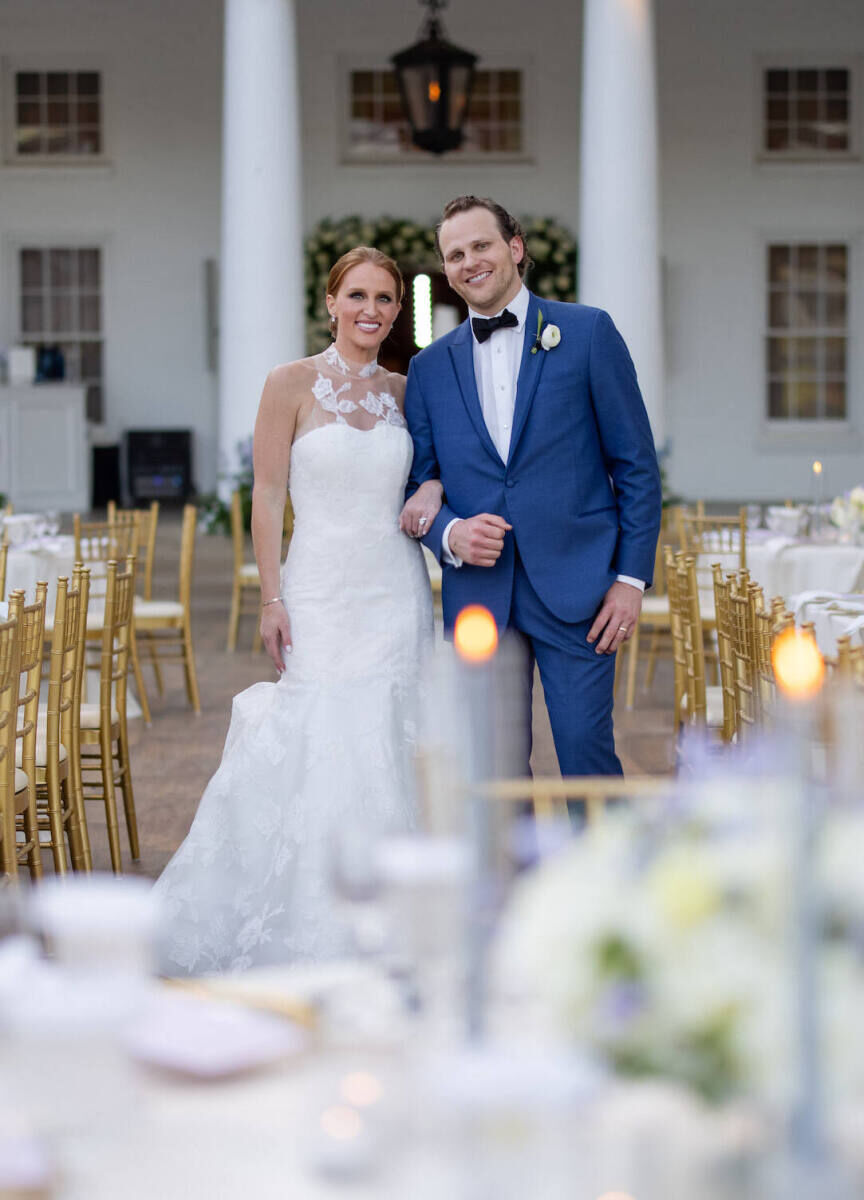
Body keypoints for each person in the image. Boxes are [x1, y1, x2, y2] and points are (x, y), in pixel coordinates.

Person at [154, 248, 442, 974]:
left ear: (397, 311)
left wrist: (431, 491)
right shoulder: (288, 383)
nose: (371, 310)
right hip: (318, 588)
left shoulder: (408, 391)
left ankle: (395, 915)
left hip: (394, 588)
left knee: (391, 733)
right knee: (320, 730)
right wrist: (271, 594)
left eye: (384, 298)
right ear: (330, 302)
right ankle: (313, 908)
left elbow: (437, 470)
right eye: (357, 296)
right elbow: (270, 497)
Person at [401, 196, 662, 777]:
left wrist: (630, 580)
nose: (470, 261)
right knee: (493, 772)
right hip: (479, 600)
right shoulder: (428, 368)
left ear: (515, 249)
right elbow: (418, 481)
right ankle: (510, 871)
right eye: (455, 254)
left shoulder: (588, 332)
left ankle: (600, 870)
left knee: (585, 755)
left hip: (581, 592)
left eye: (481, 245)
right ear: (446, 271)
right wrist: (449, 536)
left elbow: (637, 465)